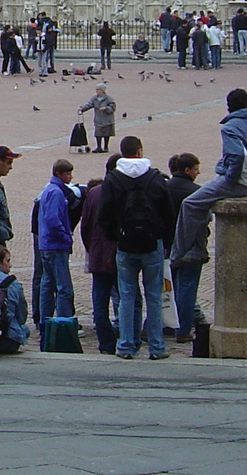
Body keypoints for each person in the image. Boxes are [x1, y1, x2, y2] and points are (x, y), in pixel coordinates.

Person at [169, 89, 247, 270]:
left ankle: (178, 255)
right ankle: (198, 248)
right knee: (202, 200)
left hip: (237, 182)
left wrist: (230, 178)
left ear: (229, 107)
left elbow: (237, 155)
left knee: (191, 203)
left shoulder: (230, 127)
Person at [100, 135, 175, 360]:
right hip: (152, 243)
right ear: (140, 151)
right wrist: (165, 240)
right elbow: (169, 214)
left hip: (125, 243)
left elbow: (103, 215)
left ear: (122, 153)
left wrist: (115, 237)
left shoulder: (113, 179)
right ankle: (156, 346)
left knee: (127, 295)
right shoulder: (155, 178)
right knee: (153, 295)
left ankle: (126, 345)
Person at [79, 158, 119, 354]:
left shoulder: (93, 194)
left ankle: (106, 343)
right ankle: (128, 337)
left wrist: (92, 248)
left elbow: (84, 226)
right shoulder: (122, 192)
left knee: (100, 304)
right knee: (129, 298)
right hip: (120, 256)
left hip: (98, 256)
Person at [166, 153, 204, 342]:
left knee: (166, 288)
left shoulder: (164, 188)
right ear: (187, 170)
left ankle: (164, 324)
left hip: (166, 245)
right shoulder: (196, 191)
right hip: (190, 248)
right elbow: (202, 223)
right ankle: (183, 329)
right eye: (196, 169)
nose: (198, 173)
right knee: (187, 289)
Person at [34, 160, 78, 321]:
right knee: (63, 287)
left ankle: (44, 320)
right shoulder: (57, 192)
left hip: (46, 244)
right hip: (56, 245)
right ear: (59, 174)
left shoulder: (49, 190)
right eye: (68, 174)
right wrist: (65, 237)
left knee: (47, 283)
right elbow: (53, 219)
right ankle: (64, 322)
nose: (70, 177)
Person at [78, 83, 117, 155]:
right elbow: (89, 104)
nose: (96, 91)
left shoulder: (109, 99)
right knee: (98, 133)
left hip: (107, 119)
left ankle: (106, 147)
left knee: (106, 133)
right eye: (96, 89)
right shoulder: (94, 98)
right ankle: (98, 147)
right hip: (98, 119)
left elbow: (113, 107)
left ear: (102, 90)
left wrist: (106, 108)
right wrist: (82, 108)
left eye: (98, 89)